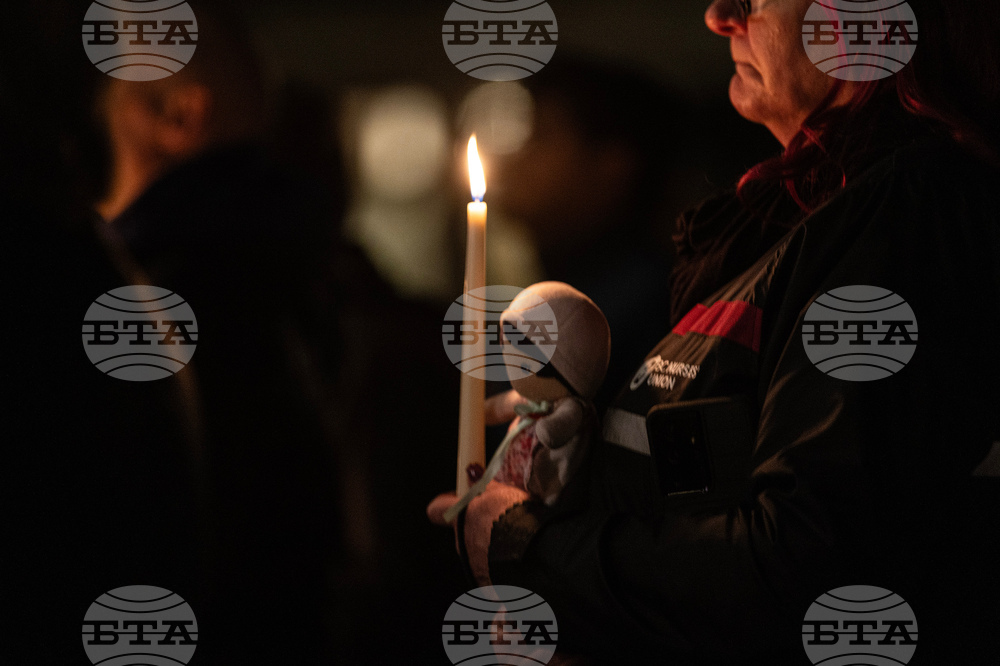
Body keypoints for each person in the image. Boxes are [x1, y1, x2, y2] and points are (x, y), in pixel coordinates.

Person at [430, 0, 1000, 663]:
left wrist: (532, 548)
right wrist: (600, 459)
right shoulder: (814, 223)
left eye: (755, 0)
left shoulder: (908, 218)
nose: (720, 16)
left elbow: (808, 562)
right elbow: (722, 479)